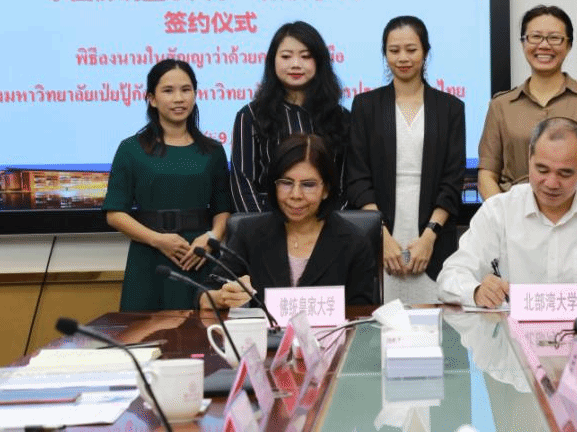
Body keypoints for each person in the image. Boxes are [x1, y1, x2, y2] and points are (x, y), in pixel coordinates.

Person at [438, 117, 577, 308]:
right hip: (514, 341)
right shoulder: (498, 210)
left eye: (565, 173)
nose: (551, 183)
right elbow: (450, 277)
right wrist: (476, 291)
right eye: (542, 170)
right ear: (529, 157)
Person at [345, 16, 465, 304]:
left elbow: (453, 179)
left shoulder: (450, 108)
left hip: (432, 230)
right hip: (381, 227)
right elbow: (358, 177)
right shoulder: (366, 106)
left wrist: (429, 236)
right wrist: (381, 236)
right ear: (384, 53)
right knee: (380, 320)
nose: (402, 58)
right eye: (394, 50)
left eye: (411, 50)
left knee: (434, 319)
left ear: (425, 52)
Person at [104, 59, 231, 311]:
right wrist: (157, 240)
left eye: (186, 90)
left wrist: (212, 237)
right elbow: (115, 214)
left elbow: (223, 209)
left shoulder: (213, 150)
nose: (179, 98)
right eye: (168, 91)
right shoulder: (131, 149)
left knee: (202, 329)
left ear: (195, 94)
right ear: (152, 99)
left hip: (198, 256)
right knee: (145, 330)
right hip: (149, 256)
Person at [203, 133, 376, 309]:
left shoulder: (354, 242)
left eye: (308, 185)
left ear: (326, 190)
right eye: (286, 183)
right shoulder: (249, 234)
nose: (296, 195)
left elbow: (363, 315)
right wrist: (222, 297)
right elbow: (204, 295)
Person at [477, 5, 577, 200]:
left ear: (569, 45)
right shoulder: (501, 105)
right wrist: (505, 214)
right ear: (523, 43)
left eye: (554, 38)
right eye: (535, 37)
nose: (544, 45)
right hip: (514, 211)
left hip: (574, 211)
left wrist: (568, 211)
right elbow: (486, 176)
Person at [231, 21, 350, 214]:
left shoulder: (341, 117)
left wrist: (331, 226)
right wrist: (261, 227)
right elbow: (242, 184)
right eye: (286, 56)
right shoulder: (251, 115)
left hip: (329, 225)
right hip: (266, 223)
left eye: (305, 56)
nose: (295, 64)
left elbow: (346, 185)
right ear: (273, 61)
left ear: (319, 62)